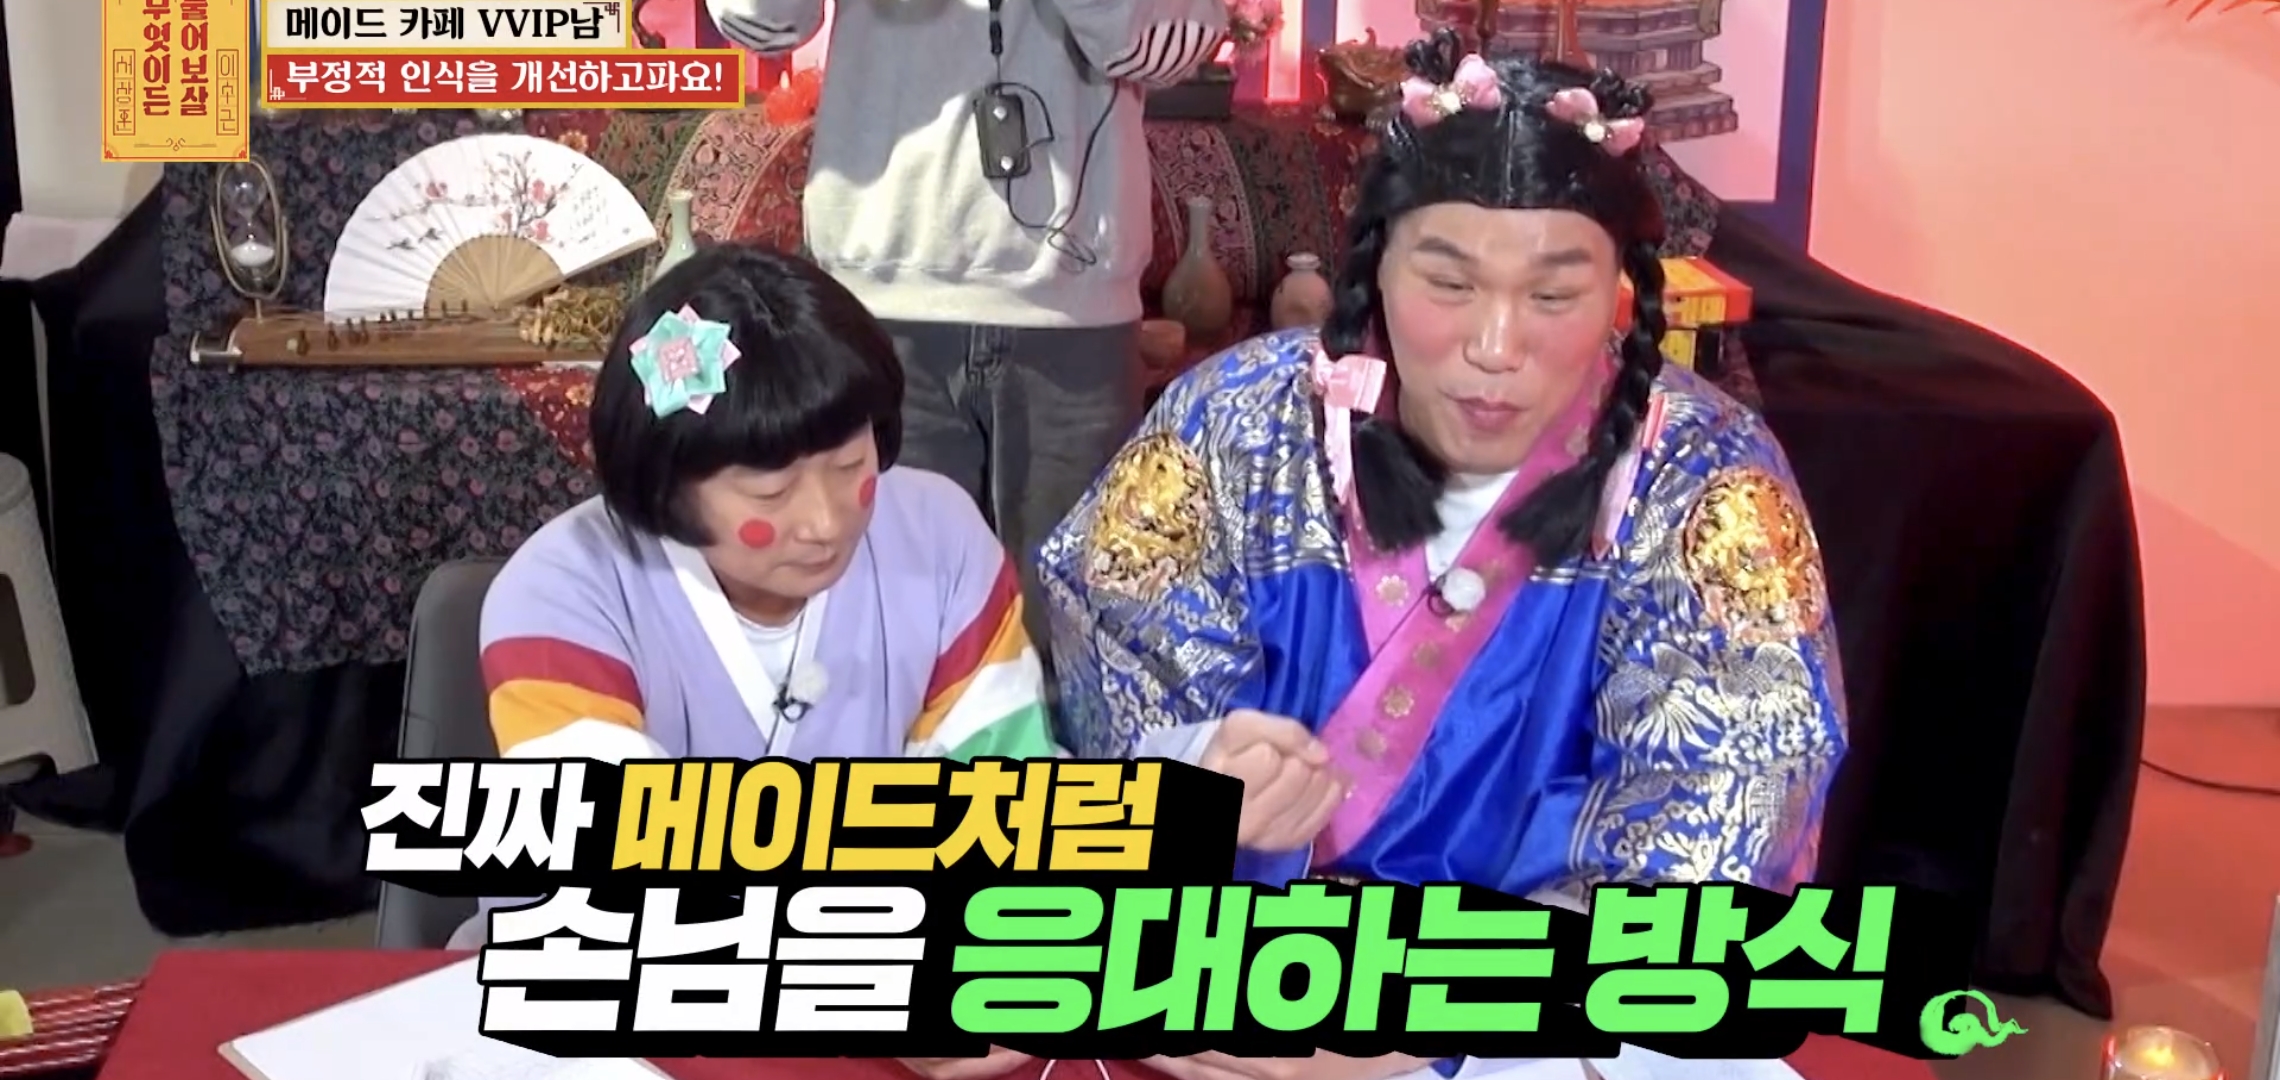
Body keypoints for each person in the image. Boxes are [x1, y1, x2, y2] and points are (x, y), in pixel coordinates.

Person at [1039, 32, 1848, 1080]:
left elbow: (1725, 819)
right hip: (1231, 988)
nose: (1495, 346)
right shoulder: (1234, 421)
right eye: (1449, 282)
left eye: (1553, 295)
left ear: (1619, 288)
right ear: (1374, 265)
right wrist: (1199, 780)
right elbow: (1108, 693)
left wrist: (1426, 1027)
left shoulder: (1702, 477)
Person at [447, 246, 1060, 1008]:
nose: (825, 521)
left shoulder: (940, 538)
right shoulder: (560, 591)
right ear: (668, 479)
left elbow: (1010, 809)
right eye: (771, 492)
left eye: (850, 465)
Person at [701, 0, 1227, 664]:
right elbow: (758, 22)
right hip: (879, 303)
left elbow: (1173, 46)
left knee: (1077, 652)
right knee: (888, 650)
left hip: (1074, 316)